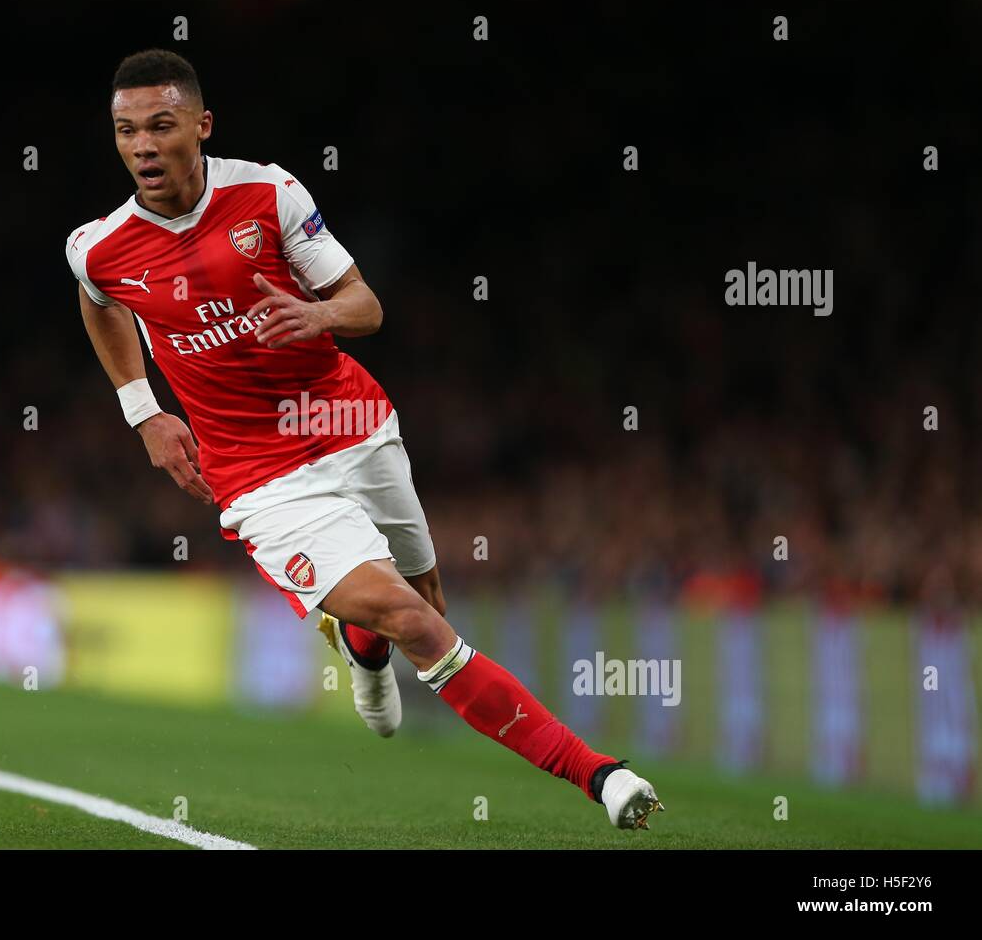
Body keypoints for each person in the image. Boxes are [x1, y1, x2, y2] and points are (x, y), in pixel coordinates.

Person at [67, 49, 662, 829]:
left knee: (424, 603)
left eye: (161, 126)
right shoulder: (102, 246)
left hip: (353, 424)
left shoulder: (268, 193)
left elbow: (366, 305)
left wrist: (318, 315)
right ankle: (602, 775)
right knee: (417, 622)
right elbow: (98, 299)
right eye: (125, 131)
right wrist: (142, 409)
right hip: (261, 479)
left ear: (202, 126)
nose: (142, 145)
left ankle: (364, 645)